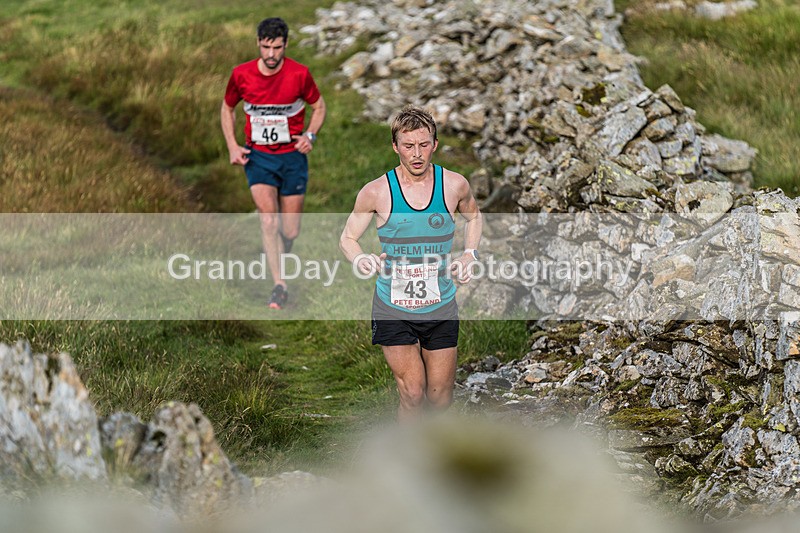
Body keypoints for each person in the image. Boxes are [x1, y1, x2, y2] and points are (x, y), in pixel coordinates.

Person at [340, 105, 483, 421]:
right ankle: (407, 461)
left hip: (441, 303)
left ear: (434, 144)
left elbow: (474, 217)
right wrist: (360, 258)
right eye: (408, 146)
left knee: (440, 399)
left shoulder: (454, 185)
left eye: (423, 145)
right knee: (414, 392)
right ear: (395, 147)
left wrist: (470, 254)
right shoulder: (376, 192)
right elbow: (347, 238)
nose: (416, 154)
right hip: (393, 306)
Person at [221, 17, 326, 309]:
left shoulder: (300, 74)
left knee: (289, 230)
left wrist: (311, 136)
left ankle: (280, 249)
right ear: (258, 43)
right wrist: (232, 145)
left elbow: (319, 106)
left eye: (277, 48)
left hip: (292, 158)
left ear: (286, 45)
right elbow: (227, 107)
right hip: (259, 158)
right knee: (268, 220)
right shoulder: (241, 75)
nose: (270, 54)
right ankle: (279, 285)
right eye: (266, 47)